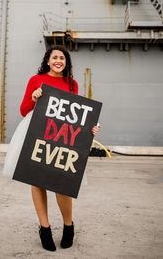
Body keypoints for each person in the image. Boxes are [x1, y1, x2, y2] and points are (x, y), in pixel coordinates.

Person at [18, 45, 100, 252]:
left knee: (61, 183)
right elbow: (23, 110)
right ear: (48, 60)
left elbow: (75, 115)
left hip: (61, 137)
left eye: (62, 58)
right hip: (38, 133)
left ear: (66, 62)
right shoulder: (35, 80)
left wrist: (90, 127)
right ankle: (44, 228)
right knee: (37, 182)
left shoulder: (72, 84)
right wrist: (34, 98)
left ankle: (68, 226)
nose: (58, 61)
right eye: (54, 57)